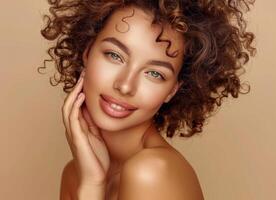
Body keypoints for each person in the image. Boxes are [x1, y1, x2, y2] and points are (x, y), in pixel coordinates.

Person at [39, 0, 256, 199]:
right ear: (87, 52)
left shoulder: (152, 172)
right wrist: (91, 182)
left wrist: (91, 189)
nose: (125, 86)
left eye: (155, 74)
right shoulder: (78, 172)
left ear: (172, 90)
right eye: (115, 55)